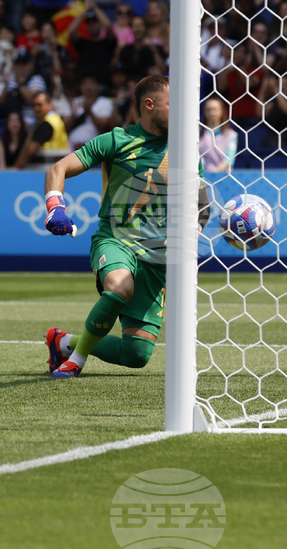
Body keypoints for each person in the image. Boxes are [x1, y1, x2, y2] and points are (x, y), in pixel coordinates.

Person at [43, 75, 210, 378]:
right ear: (150, 105)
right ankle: (76, 360)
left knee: (136, 354)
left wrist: (195, 227)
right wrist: (55, 208)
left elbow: (202, 204)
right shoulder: (117, 140)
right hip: (116, 239)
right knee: (120, 287)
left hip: (158, 257)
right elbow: (59, 168)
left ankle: (64, 342)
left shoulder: (186, 149)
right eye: (174, 104)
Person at [13, 90, 68, 168]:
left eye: (39, 105)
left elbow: (30, 150)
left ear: (50, 104)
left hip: (43, 171)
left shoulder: (46, 124)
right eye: (33, 105)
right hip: (56, 169)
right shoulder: (56, 120)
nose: (36, 108)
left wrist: (17, 168)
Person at [199, 97, 237, 173]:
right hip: (202, 175)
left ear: (221, 111)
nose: (212, 113)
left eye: (215, 110)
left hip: (223, 176)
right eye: (208, 110)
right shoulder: (198, 133)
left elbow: (229, 159)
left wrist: (215, 173)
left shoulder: (231, 135)